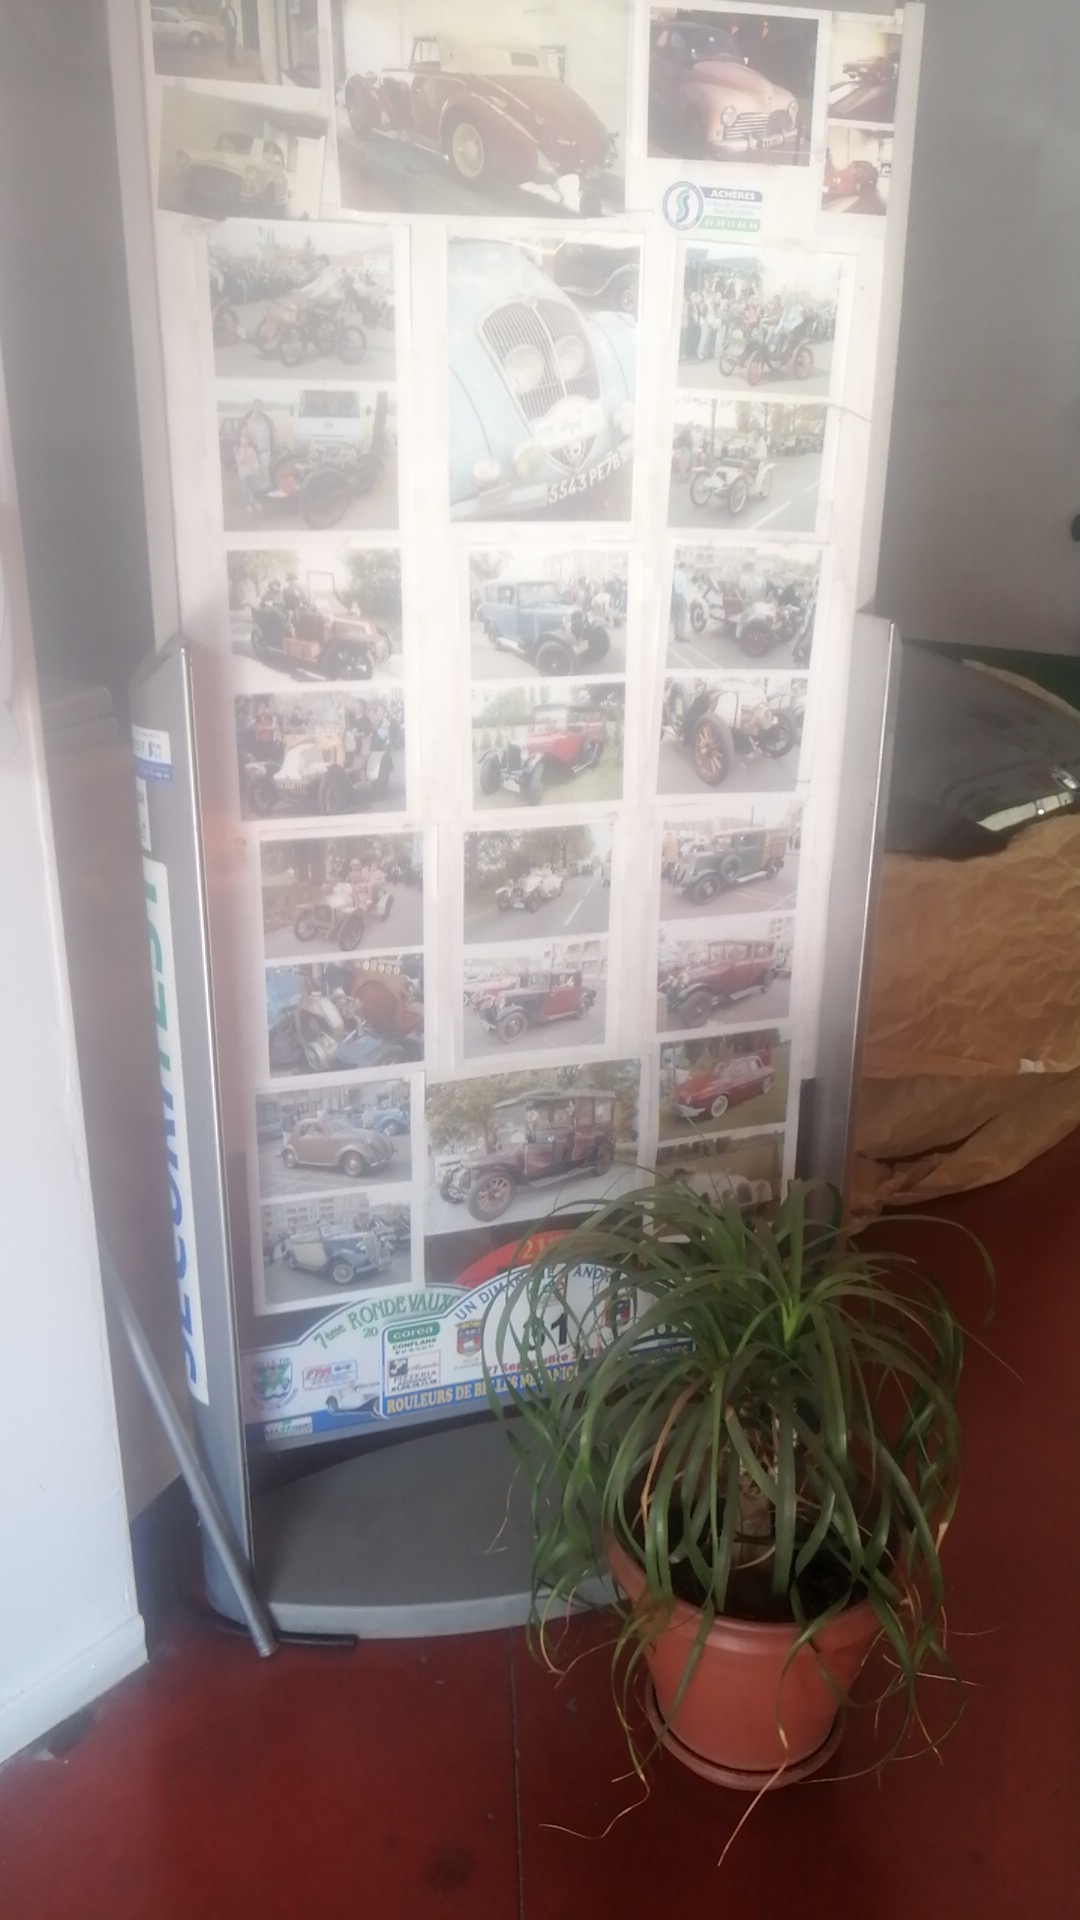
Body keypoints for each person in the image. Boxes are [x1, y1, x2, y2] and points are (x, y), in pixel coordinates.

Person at [234, 428, 263, 513]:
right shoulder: (238, 450)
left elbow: (255, 460)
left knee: (255, 488)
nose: (243, 440)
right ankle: (248, 504)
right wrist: (243, 455)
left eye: (245, 439)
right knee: (245, 489)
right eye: (242, 438)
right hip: (243, 474)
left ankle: (257, 502)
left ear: (249, 440)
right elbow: (239, 462)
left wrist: (256, 468)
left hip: (252, 473)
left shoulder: (251, 450)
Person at [671, 563, 688, 641]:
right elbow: (684, 589)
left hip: (673, 596)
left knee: (675, 617)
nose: (685, 570)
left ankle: (676, 635)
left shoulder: (673, 574)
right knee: (682, 618)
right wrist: (685, 600)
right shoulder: (683, 576)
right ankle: (681, 636)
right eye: (685, 568)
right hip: (680, 596)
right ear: (683, 567)